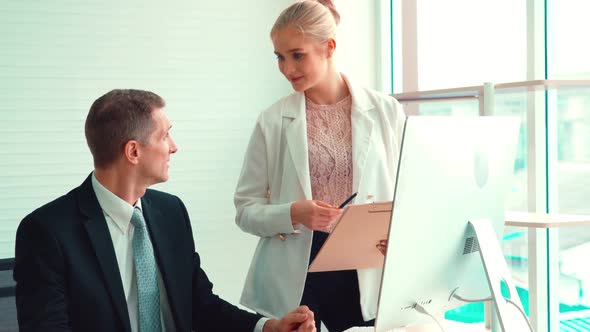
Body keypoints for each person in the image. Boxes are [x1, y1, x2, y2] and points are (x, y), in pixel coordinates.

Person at [13, 89, 316, 332]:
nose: (174, 146)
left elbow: (198, 304)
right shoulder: (47, 231)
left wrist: (267, 327)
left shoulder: (170, 212)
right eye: (164, 135)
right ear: (133, 151)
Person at [233, 1, 406, 331]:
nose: (287, 68)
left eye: (297, 55)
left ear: (329, 47)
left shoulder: (386, 111)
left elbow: (407, 194)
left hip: (365, 266)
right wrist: (294, 213)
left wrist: (395, 232)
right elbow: (245, 210)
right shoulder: (272, 121)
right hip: (297, 270)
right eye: (280, 57)